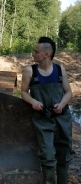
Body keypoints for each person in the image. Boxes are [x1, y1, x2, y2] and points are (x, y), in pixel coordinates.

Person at [21, 36, 73, 184]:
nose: (32, 53)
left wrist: (62, 104)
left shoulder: (59, 69)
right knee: (48, 156)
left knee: (64, 155)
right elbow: (23, 92)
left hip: (62, 119)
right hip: (42, 120)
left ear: (46, 54)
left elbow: (69, 92)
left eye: (36, 51)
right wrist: (33, 101)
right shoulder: (29, 71)